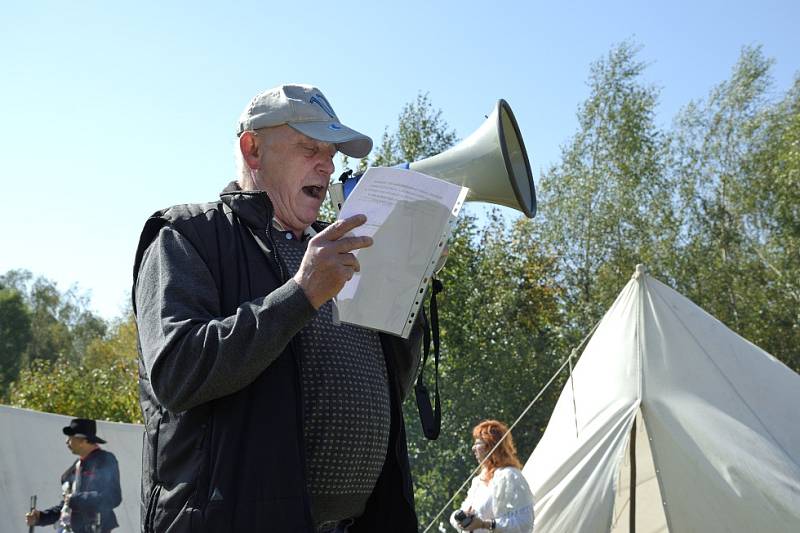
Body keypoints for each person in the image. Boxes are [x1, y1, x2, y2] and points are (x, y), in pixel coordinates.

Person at [132, 84, 424, 532]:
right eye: (309, 148)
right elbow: (177, 372)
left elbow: (392, 385)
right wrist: (301, 292)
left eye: (331, 154)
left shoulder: (340, 248)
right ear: (253, 150)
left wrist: (407, 287)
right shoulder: (187, 235)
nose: (326, 166)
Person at [25, 418, 122, 533]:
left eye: (70, 437)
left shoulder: (104, 460)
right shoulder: (73, 470)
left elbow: (113, 497)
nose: (67, 441)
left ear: (83, 440)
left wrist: (76, 499)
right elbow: (67, 505)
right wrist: (41, 517)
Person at [450, 420, 534, 533]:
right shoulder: (479, 480)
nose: (473, 448)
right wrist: (460, 518)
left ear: (491, 446)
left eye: (478, 443)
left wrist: (485, 524)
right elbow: (460, 512)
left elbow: (525, 522)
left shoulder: (510, 476)